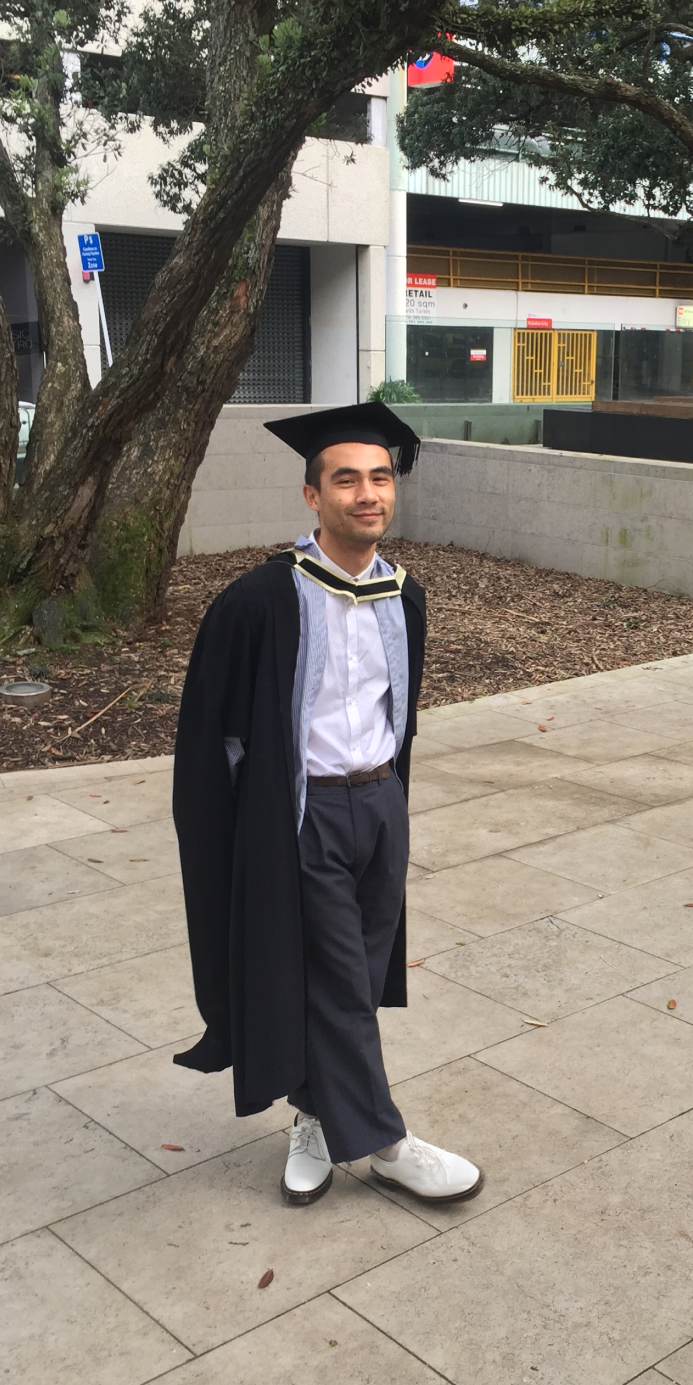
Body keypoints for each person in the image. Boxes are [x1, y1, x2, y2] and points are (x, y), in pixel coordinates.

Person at [169, 401, 484, 1209]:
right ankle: (383, 1142)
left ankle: (311, 1117)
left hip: (381, 806)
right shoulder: (258, 601)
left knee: (356, 974)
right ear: (313, 496)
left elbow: (397, 714)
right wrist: (250, 837)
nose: (367, 494)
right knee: (340, 983)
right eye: (346, 479)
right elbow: (213, 737)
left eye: (379, 477)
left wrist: (393, 805)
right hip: (301, 820)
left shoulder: (403, 597)